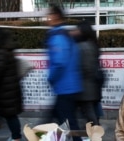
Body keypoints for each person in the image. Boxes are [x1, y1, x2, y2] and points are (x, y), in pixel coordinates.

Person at [44, 4, 83, 141]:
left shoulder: (58, 37)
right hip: (70, 85)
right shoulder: (66, 35)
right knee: (61, 120)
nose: (46, 19)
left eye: (48, 15)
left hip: (64, 87)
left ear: (55, 16)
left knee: (68, 122)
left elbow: (59, 62)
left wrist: (51, 78)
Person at [0, 26, 24, 141]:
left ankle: (16, 138)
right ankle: (16, 137)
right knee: (11, 116)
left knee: (10, 116)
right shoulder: (6, 49)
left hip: (4, 91)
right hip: (9, 89)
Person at [71, 20, 104, 126]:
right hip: (92, 86)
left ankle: (95, 135)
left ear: (82, 32)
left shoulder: (82, 47)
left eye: (77, 30)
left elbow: (85, 68)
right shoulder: (92, 44)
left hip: (85, 87)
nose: (74, 32)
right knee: (91, 112)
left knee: (89, 114)